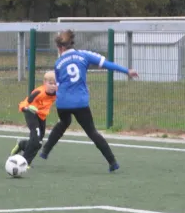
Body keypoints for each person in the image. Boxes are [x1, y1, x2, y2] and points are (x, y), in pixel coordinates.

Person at [39, 30, 139, 172]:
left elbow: (59, 84)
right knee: (92, 132)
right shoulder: (84, 55)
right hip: (80, 102)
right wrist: (126, 71)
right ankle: (112, 162)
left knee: (64, 122)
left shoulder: (58, 62)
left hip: (63, 103)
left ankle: (46, 150)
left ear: (60, 48)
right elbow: (107, 64)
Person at [10, 71, 57, 167]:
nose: (53, 86)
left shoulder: (58, 92)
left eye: (55, 84)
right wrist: (24, 108)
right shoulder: (39, 92)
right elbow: (24, 102)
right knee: (35, 140)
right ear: (45, 83)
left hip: (41, 117)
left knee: (38, 143)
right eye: (50, 83)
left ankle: (22, 144)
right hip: (31, 114)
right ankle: (25, 162)